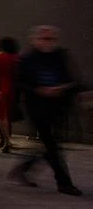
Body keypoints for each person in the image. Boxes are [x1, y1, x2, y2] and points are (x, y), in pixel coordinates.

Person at [10, 26, 83, 196]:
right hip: (37, 107)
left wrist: (63, 88)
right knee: (51, 145)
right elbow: (20, 83)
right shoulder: (27, 59)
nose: (48, 43)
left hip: (58, 106)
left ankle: (24, 168)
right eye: (44, 39)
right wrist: (38, 90)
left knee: (52, 144)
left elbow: (72, 79)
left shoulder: (60, 56)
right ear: (35, 41)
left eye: (51, 39)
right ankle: (64, 182)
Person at [0, 36, 21, 153]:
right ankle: (7, 141)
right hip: (11, 87)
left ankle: (6, 140)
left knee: (1, 116)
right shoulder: (15, 58)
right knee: (7, 115)